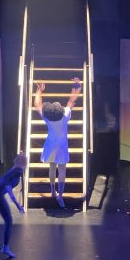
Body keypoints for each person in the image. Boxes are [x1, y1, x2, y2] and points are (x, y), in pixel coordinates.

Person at [33, 78, 82, 208]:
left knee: (52, 167)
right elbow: (72, 101)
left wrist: (39, 91)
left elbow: (37, 104)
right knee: (62, 170)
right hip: (61, 146)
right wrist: (77, 87)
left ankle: (52, 190)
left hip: (50, 144)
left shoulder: (47, 116)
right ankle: (59, 195)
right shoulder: (65, 115)